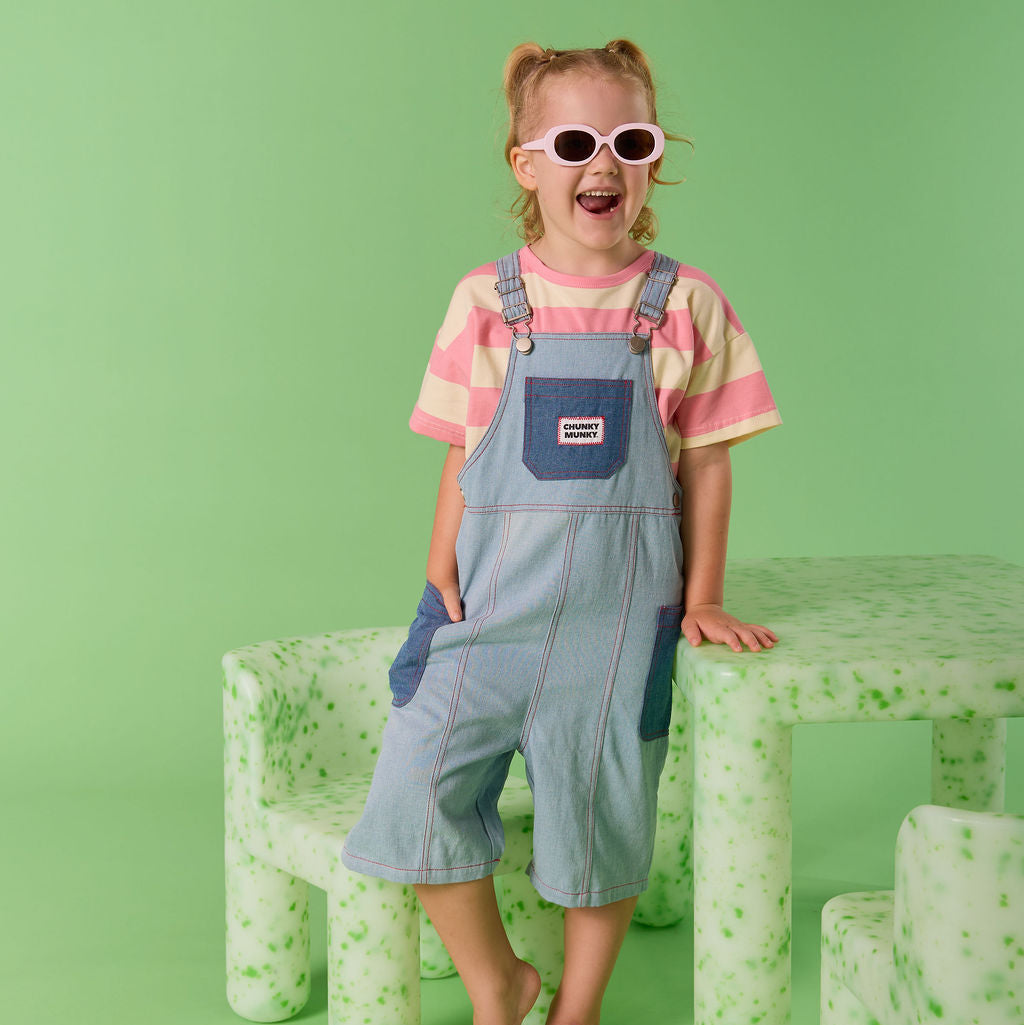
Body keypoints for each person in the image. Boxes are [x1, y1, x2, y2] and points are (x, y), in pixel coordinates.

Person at [342, 39, 782, 1025]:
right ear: (526, 163)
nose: (605, 164)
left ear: (655, 157)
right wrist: (434, 565)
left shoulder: (685, 305)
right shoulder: (483, 303)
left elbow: (707, 462)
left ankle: (576, 1008)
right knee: (412, 795)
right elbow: (464, 450)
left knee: (602, 826)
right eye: (576, 140)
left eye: (631, 140)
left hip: (617, 626)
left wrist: (702, 594)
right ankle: (501, 981)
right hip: (484, 611)